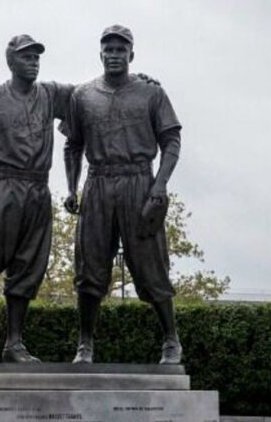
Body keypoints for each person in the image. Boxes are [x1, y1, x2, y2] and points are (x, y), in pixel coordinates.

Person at [0, 34, 159, 364]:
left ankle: (14, 344)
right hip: (2, 187)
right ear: (11, 61)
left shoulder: (50, 94)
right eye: (26, 57)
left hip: (37, 191)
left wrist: (138, 81)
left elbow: (95, 95)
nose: (33, 62)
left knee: (28, 269)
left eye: (36, 57)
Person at [63, 25, 183, 365]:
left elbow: (171, 140)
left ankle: (171, 341)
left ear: (132, 54)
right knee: (89, 268)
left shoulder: (151, 93)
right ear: (100, 53)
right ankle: (85, 344)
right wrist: (71, 187)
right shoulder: (82, 95)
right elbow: (72, 145)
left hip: (138, 182)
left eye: (121, 49)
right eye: (108, 49)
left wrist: (159, 186)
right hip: (98, 183)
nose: (114, 54)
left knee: (151, 266)